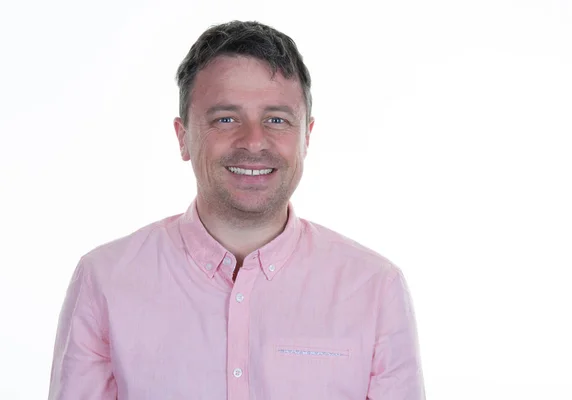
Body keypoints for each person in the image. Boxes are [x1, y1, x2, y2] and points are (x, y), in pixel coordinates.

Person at [48, 20, 426, 400]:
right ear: (183, 138)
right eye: (225, 118)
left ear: (306, 137)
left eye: (276, 119)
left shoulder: (376, 289)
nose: (254, 141)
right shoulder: (104, 282)